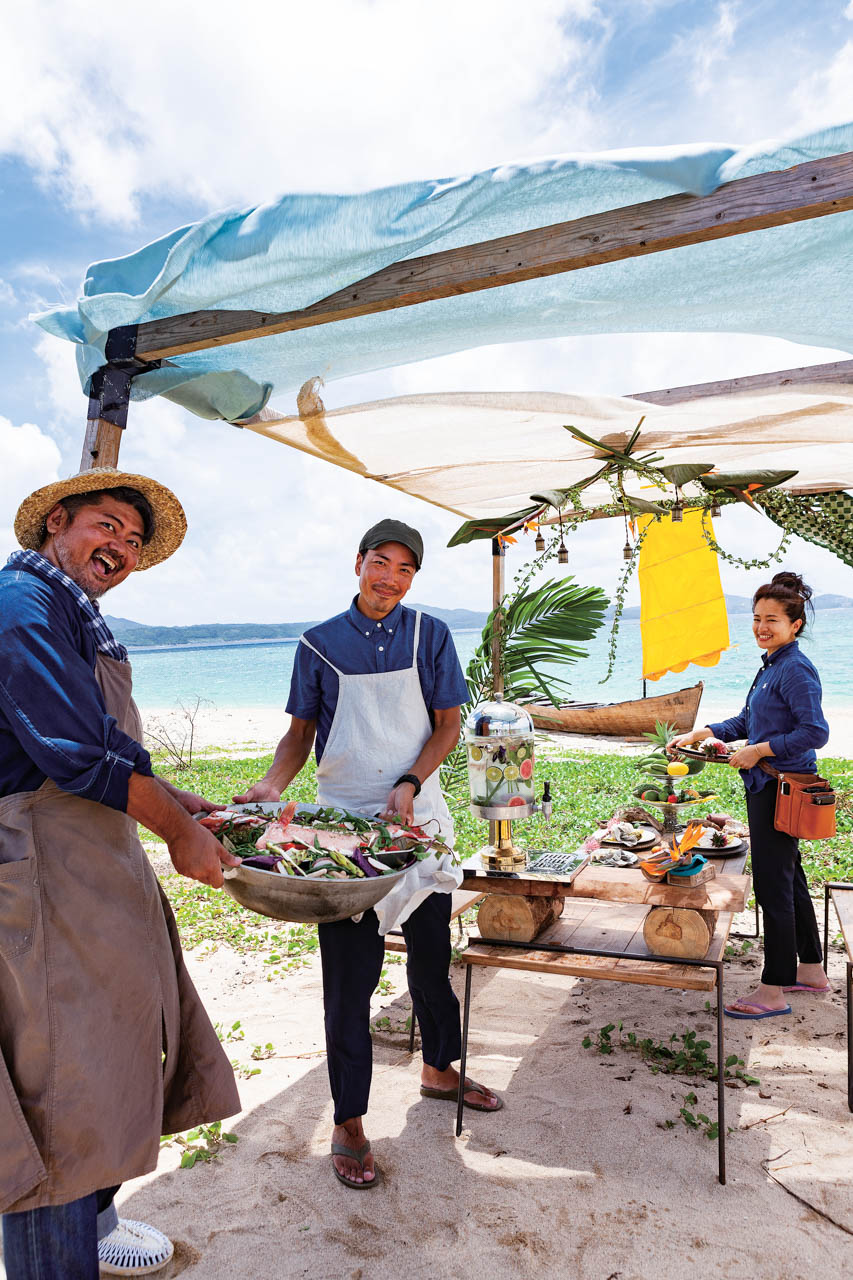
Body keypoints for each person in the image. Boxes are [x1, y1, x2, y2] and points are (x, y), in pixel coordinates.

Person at [0, 468, 241, 1279]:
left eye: (134, 541)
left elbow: (109, 742)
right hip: (40, 871)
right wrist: (176, 832)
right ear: (57, 523)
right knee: (61, 1088)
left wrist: (177, 797)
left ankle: (95, 1230)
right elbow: (76, 756)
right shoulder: (21, 606)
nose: (121, 548)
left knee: (106, 1054)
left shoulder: (77, 614)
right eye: (107, 526)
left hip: (88, 864)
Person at [235, 518, 502, 1188]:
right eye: (380, 564)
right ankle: (349, 1121)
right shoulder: (318, 644)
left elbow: (447, 726)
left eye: (405, 570)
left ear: (413, 579)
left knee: (432, 961)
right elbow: (299, 736)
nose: (390, 579)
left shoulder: (429, 635)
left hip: (418, 818)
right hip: (346, 827)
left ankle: (439, 1069)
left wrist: (411, 783)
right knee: (350, 981)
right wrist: (272, 783)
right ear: (358, 564)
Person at [669, 571, 830, 1020]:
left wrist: (758, 750)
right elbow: (748, 720)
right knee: (791, 878)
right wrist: (707, 732)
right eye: (757, 618)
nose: (762, 627)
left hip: (782, 789)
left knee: (773, 887)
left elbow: (815, 732)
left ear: (795, 623)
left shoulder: (795, 668)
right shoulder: (773, 665)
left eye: (773, 620)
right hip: (769, 786)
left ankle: (773, 990)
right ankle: (811, 968)